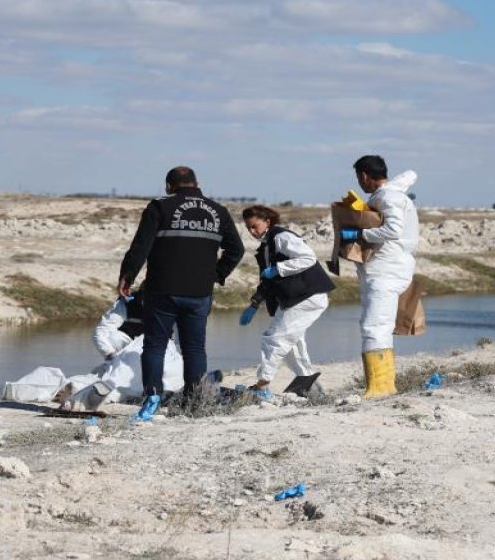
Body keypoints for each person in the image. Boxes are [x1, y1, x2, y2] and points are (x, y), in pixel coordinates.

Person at [118, 166, 244, 419]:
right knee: (194, 348)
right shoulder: (218, 211)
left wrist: (127, 276)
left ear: (168, 186)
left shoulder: (159, 207)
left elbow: (140, 246)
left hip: (161, 289)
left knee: (155, 346)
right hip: (199, 292)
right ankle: (195, 401)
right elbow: (236, 250)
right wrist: (216, 275)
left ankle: (152, 397)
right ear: (198, 183)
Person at [338, 155, 419, 398]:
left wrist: (362, 234)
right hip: (389, 268)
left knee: (376, 326)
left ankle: (381, 387)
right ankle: (381, 384)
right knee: (376, 324)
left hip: (386, 270)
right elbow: (408, 177)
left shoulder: (387, 197)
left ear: (364, 176)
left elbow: (392, 229)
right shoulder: (391, 194)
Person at [239, 205, 334, 400]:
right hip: (295, 298)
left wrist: (279, 268)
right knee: (292, 343)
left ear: (267, 222)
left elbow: (308, 257)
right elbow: (267, 281)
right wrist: (254, 304)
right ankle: (309, 384)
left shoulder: (281, 237)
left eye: (254, 226)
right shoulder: (266, 246)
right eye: (248, 228)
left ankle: (262, 386)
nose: (251, 231)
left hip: (308, 296)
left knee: (274, 338)